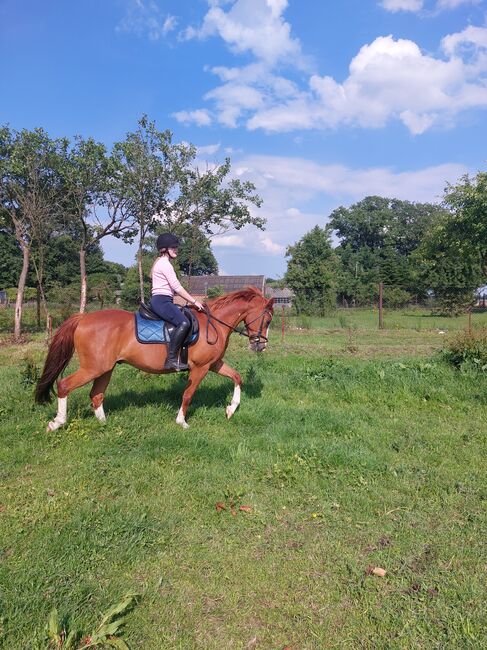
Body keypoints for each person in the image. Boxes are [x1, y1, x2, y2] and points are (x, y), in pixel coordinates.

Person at [150, 233, 204, 371]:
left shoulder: (163, 263)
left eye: (176, 247)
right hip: (161, 301)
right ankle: (171, 360)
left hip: (164, 300)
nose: (176, 250)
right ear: (165, 249)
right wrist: (194, 301)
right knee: (184, 322)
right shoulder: (164, 264)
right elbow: (177, 287)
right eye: (173, 247)